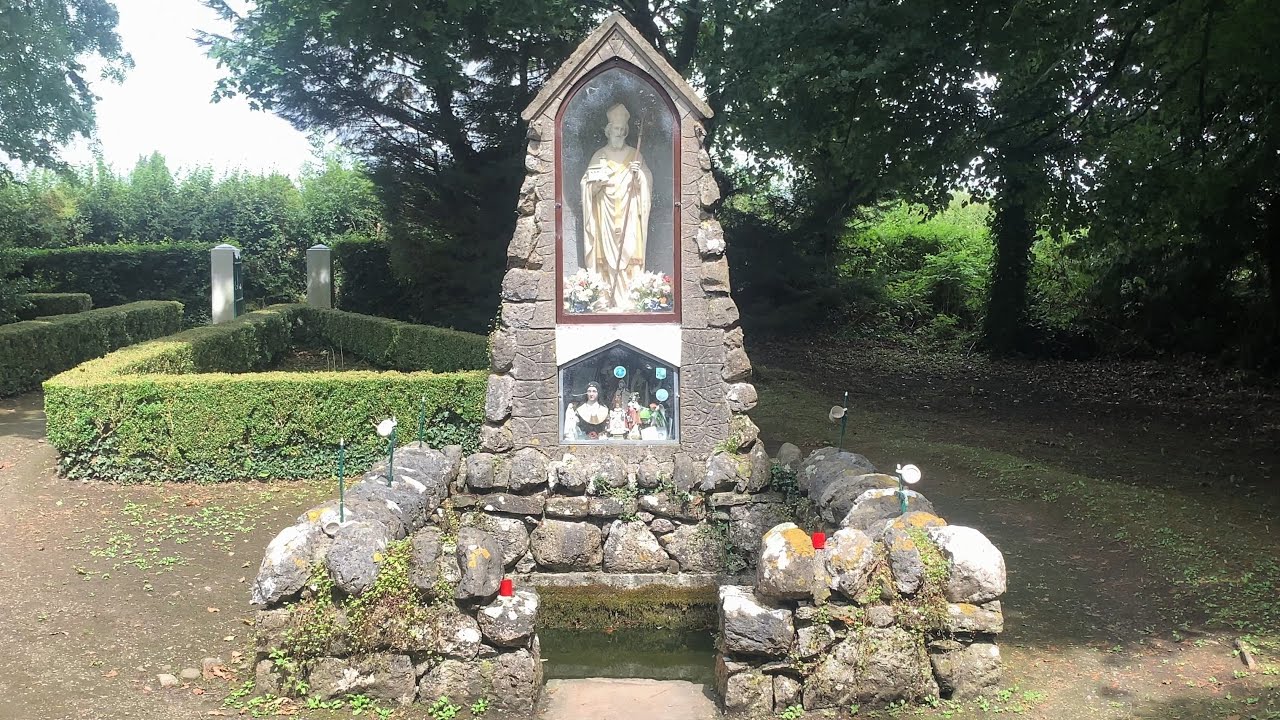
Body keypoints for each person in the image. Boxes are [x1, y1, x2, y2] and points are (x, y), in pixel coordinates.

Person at [581, 103, 652, 310]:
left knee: (630, 252)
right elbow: (586, 185)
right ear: (608, 131)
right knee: (606, 256)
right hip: (605, 212)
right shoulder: (599, 156)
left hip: (629, 213)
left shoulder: (635, 155)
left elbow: (647, 184)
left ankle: (631, 298)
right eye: (616, 130)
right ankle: (604, 296)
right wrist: (596, 185)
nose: (619, 133)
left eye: (622, 130)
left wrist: (639, 176)